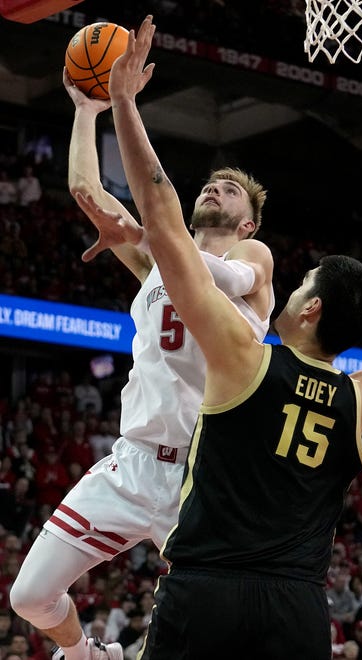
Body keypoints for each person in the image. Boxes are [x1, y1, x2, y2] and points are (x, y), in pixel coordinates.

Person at [73, 15, 362, 660]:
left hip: (207, 591)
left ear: (309, 310)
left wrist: (124, 103)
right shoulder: (358, 400)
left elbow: (161, 216)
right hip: (296, 607)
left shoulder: (241, 362)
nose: (285, 292)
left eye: (300, 287)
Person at [9, 49, 274, 660]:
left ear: (249, 224)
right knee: (29, 596)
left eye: (230, 190)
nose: (216, 187)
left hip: (202, 475)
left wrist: (150, 233)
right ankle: (87, 657)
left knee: (231, 630)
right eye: (212, 182)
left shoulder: (252, 262)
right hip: (131, 462)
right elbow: (85, 189)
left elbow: (215, 281)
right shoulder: (158, 259)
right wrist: (85, 109)